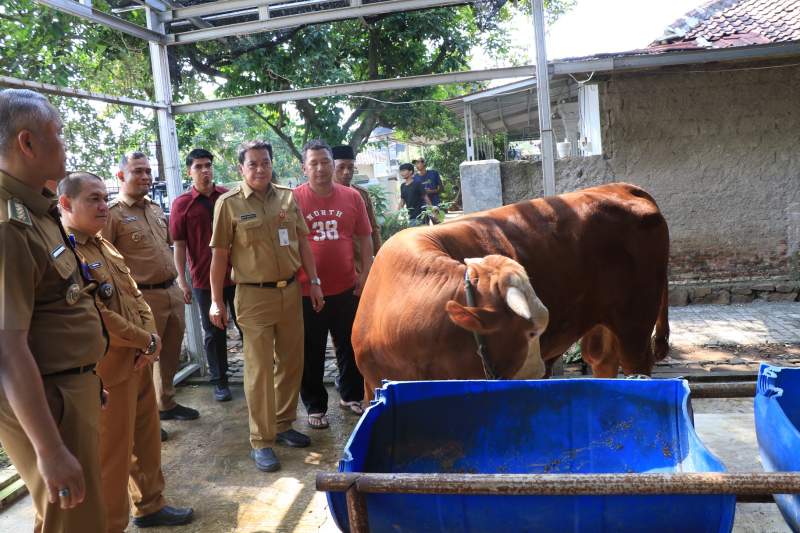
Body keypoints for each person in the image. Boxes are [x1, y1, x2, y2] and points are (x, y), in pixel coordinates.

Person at [59, 172, 194, 531]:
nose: (103, 206)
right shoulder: (67, 252)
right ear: (66, 203)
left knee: (147, 443)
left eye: (105, 198)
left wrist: (150, 338)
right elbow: (97, 315)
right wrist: (143, 339)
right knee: (113, 459)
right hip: (108, 371)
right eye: (93, 199)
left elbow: (135, 295)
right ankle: (112, 525)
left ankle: (151, 506)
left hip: (137, 360)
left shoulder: (103, 244)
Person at [0, 88, 108, 532]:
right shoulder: (8, 225)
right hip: (47, 401)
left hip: (67, 388)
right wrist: (49, 449)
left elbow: (58, 306)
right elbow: (7, 349)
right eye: (58, 133)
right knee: (74, 522)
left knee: (84, 516)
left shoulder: (36, 209)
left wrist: (86, 377)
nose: (65, 143)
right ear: (27, 142)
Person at [209, 140, 323, 472]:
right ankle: (261, 440)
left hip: (290, 291)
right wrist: (215, 301)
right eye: (253, 163)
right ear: (240, 168)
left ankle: (283, 424)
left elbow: (303, 242)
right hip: (253, 295)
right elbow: (219, 256)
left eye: (266, 162)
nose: (260, 169)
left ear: (272, 164)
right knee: (259, 370)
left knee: (291, 362)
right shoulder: (228, 204)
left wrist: (314, 282)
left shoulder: (287, 197)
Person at [103, 152, 199, 423]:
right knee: (142, 359)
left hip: (170, 291)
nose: (146, 176)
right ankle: (144, 420)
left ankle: (166, 403)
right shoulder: (112, 214)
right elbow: (103, 261)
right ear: (121, 176)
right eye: (138, 171)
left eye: (148, 171)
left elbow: (168, 246)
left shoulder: (155, 209)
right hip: (142, 298)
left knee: (170, 353)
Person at [294, 140, 373, 429]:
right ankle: (315, 406)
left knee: (349, 345)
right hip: (307, 290)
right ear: (304, 168)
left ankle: (351, 395)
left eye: (325, 162)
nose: (320, 168)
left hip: (346, 287)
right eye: (313, 163)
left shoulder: (352, 197)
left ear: (332, 164)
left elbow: (365, 237)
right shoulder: (294, 199)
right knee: (311, 350)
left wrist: (365, 275)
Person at [171, 148, 239, 402]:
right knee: (213, 331)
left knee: (247, 325)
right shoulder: (182, 204)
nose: (204, 170)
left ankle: (256, 374)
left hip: (236, 276)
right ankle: (219, 381)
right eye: (198, 166)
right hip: (203, 280)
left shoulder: (227, 197)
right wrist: (182, 280)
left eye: (208, 165)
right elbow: (179, 245)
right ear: (189, 171)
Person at [331, 144, 382, 262]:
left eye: (350, 167)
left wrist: (379, 256)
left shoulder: (362, 194)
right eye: (341, 167)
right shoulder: (323, 195)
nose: (346, 172)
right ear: (331, 168)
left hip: (361, 260)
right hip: (336, 260)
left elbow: (373, 227)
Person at [398, 163, 431, 227]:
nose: (401, 173)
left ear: (410, 172)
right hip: (410, 217)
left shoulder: (417, 183)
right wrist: (397, 214)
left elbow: (426, 198)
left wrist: (433, 211)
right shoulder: (402, 186)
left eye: (404, 170)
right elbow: (402, 201)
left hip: (421, 215)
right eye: (401, 171)